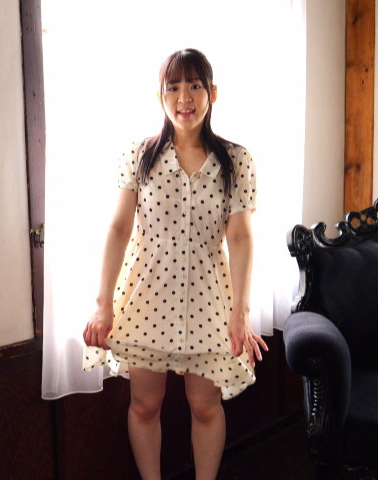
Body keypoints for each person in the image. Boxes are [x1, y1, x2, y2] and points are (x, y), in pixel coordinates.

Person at [82, 48, 267, 480]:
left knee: (205, 407)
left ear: (212, 93)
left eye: (195, 85)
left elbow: (240, 237)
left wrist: (241, 311)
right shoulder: (139, 155)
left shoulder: (236, 161)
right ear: (160, 96)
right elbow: (118, 229)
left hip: (209, 300)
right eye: (174, 87)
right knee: (145, 405)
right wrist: (103, 304)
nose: (184, 97)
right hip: (146, 297)